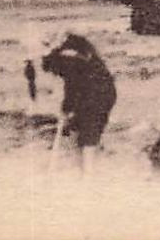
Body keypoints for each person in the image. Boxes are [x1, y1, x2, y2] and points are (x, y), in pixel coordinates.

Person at [23, 26, 116, 175]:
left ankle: (88, 171)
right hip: (100, 90)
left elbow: (73, 83)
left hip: (97, 93)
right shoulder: (70, 46)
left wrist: (67, 106)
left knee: (88, 130)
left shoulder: (67, 56)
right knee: (81, 127)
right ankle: (87, 164)